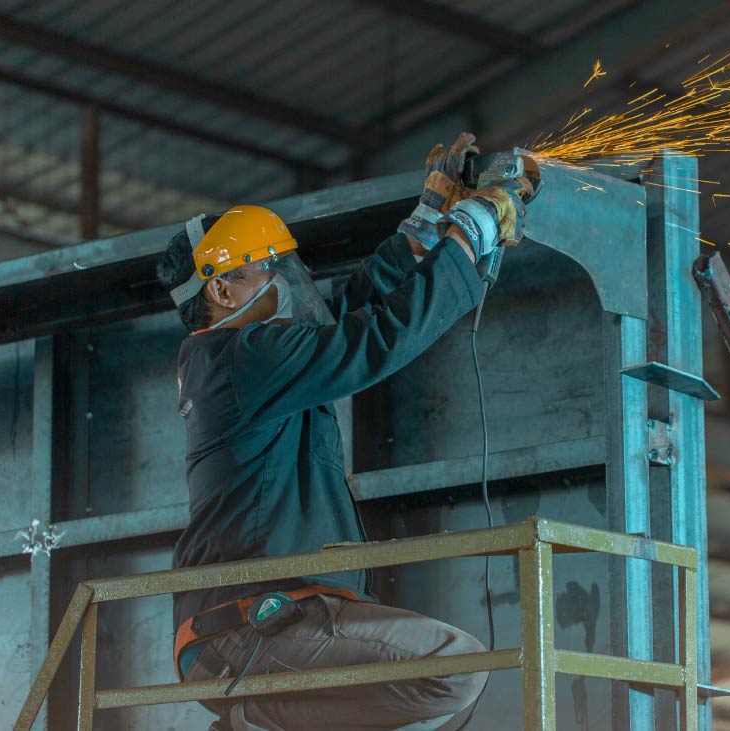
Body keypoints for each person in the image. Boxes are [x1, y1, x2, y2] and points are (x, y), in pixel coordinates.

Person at [154, 133, 534, 731]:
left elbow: (351, 316)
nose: (287, 282)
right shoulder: (238, 356)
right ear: (220, 289)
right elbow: (370, 341)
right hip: (250, 622)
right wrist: (473, 231)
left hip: (255, 625)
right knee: (456, 667)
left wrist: (428, 223)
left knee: (436, 688)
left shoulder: (245, 360)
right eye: (266, 271)